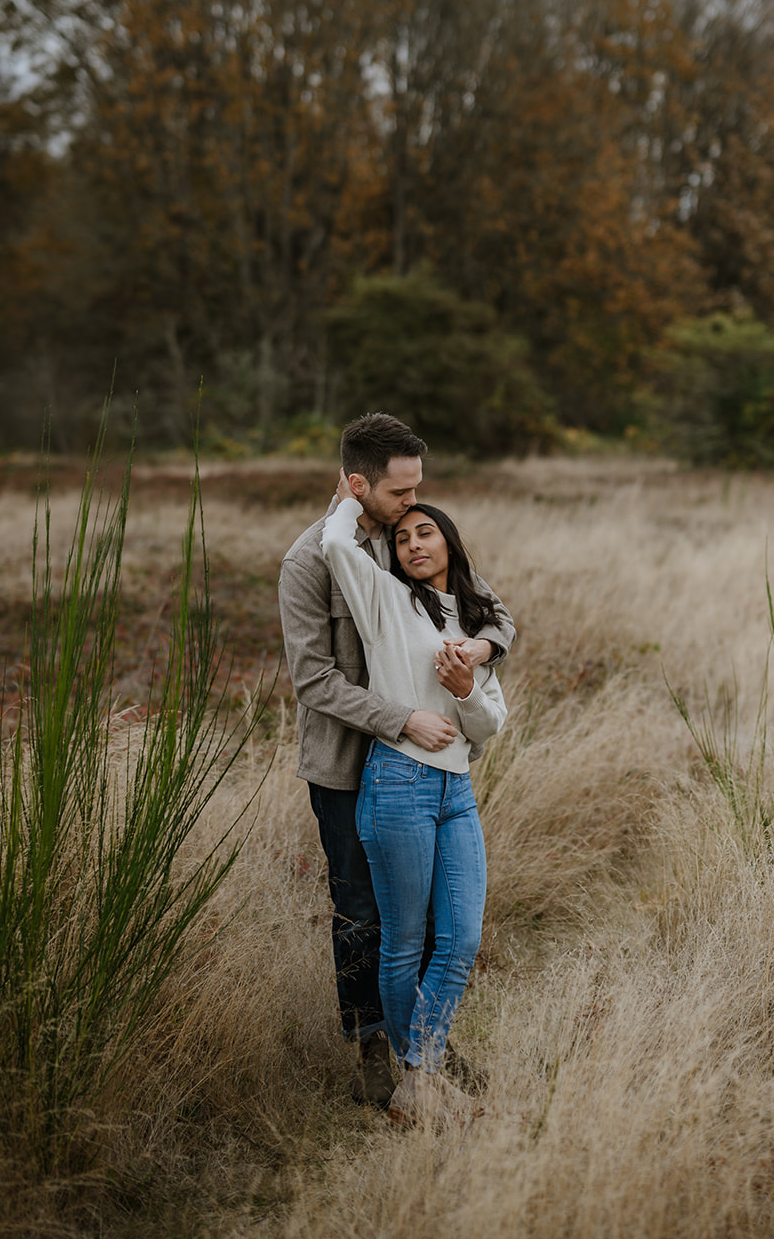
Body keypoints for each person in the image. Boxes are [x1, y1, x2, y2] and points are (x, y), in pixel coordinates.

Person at [278, 413, 515, 1109]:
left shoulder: (407, 540)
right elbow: (313, 681)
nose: (413, 503)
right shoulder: (310, 560)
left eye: (418, 491)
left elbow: (490, 611)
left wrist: (480, 651)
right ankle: (369, 1051)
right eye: (399, 492)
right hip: (348, 765)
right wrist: (402, 718)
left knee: (440, 922)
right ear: (358, 485)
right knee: (363, 915)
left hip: (427, 764)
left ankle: (425, 1049)